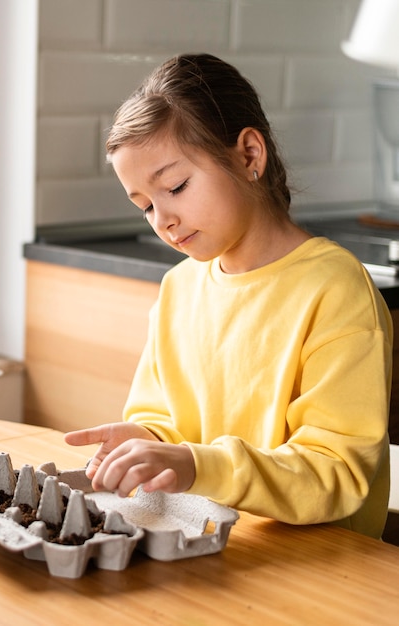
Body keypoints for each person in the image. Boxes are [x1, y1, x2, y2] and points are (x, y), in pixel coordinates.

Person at [64, 53, 392, 539]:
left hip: (319, 567)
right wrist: (146, 441)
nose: (163, 220)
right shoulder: (180, 288)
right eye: (145, 206)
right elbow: (165, 420)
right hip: (210, 549)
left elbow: (337, 474)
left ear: (248, 155)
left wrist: (197, 465)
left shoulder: (335, 289)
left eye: (175, 186)